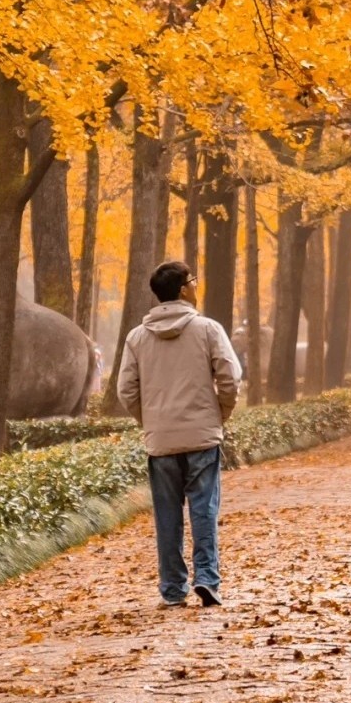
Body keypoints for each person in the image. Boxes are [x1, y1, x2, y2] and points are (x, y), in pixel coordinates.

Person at [117, 260, 242, 608]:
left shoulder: (136, 338)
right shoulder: (208, 330)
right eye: (193, 280)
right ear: (184, 289)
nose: (196, 285)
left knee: (167, 515)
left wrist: (151, 420)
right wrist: (220, 414)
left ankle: (172, 589)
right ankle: (207, 578)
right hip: (202, 435)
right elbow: (230, 377)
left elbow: (126, 390)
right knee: (204, 509)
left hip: (161, 440)